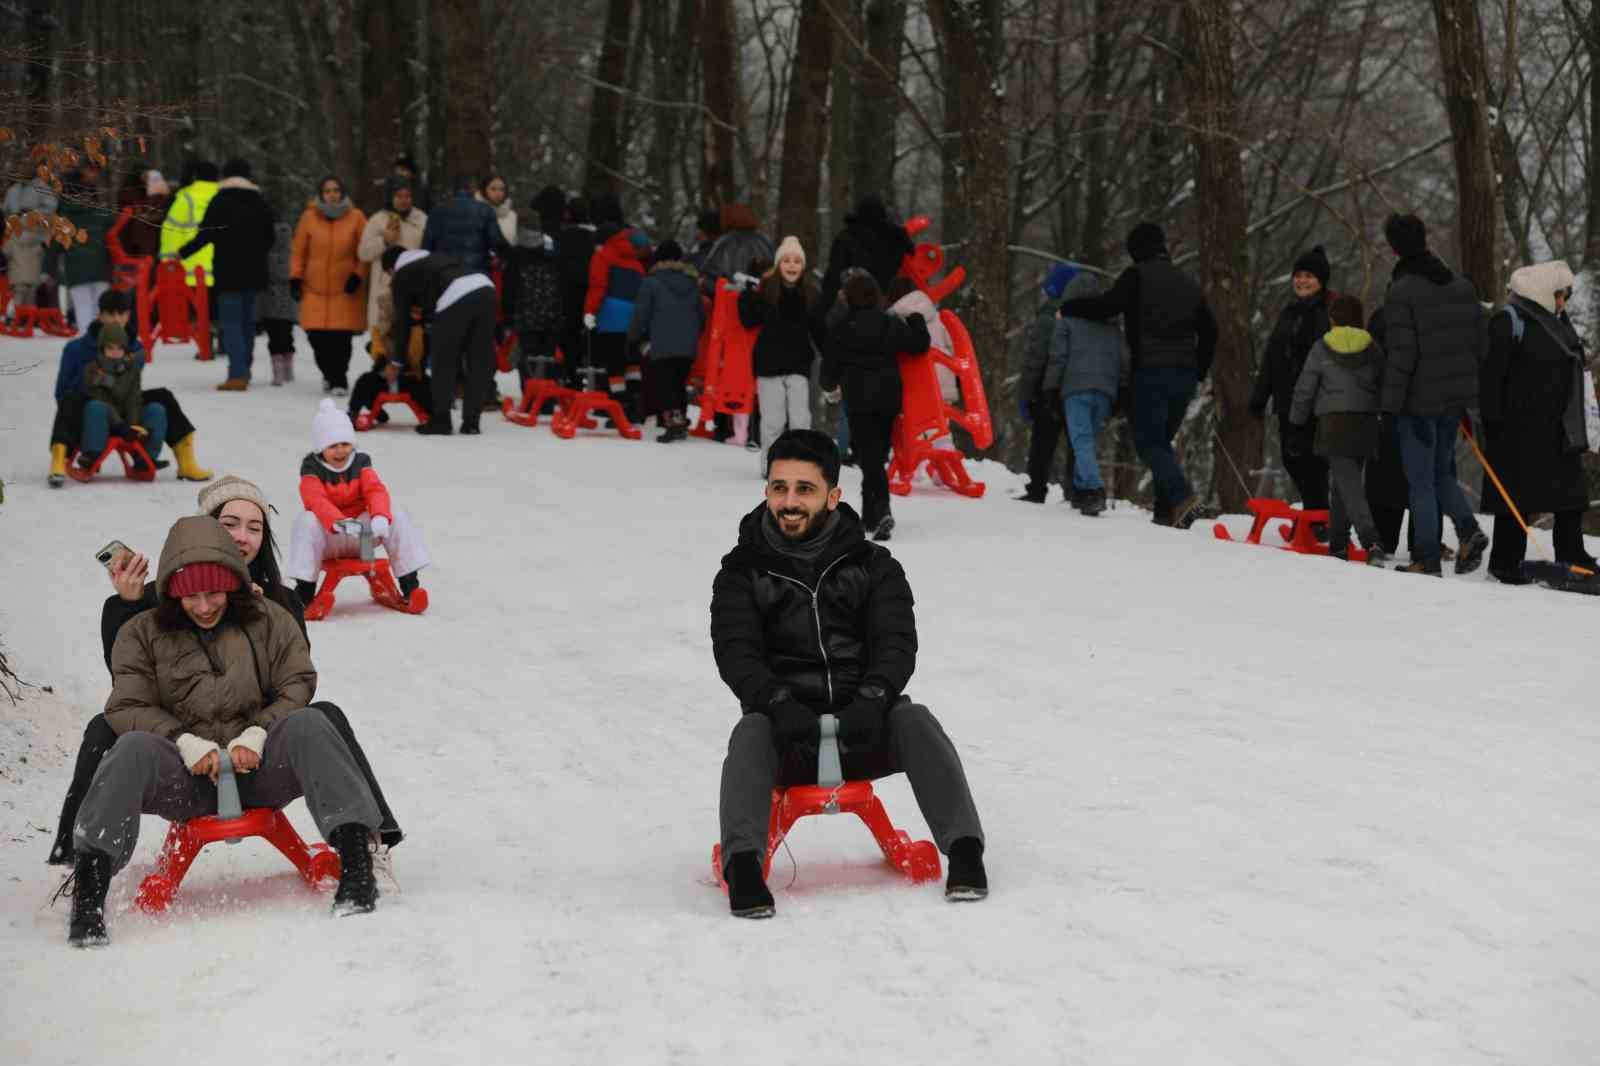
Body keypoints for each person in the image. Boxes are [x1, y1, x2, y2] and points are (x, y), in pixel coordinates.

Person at [47, 474, 404, 867]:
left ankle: (371, 837)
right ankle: (73, 858)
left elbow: (295, 680)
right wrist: (128, 604)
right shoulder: (164, 596)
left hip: (255, 742)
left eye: (255, 528)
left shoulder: (277, 601)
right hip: (182, 745)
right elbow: (127, 686)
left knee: (325, 715)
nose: (242, 537)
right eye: (229, 523)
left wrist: (255, 614)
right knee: (105, 726)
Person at [65, 515, 384, 945]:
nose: (203, 606)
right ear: (172, 594)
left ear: (232, 584)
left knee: (312, 723)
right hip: (186, 779)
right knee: (132, 748)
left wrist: (257, 733)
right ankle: (88, 895)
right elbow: (127, 704)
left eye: (214, 592)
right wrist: (184, 742)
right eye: (190, 596)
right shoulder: (142, 633)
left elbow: (297, 681)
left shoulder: (266, 619)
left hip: (260, 770)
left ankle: (357, 867)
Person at [711, 429, 988, 918]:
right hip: (786, 731)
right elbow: (737, 656)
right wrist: (778, 705)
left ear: (833, 496)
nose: (789, 501)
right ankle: (743, 868)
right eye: (780, 487)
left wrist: (873, 697)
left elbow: (896, 644)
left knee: (916, 720)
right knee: (749, 734)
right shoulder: (741, 572)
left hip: (864, 725)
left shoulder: (874, 566)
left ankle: (965, 852)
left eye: (805, 489)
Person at [1058, 222, 1217, 528]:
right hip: (1184, 376)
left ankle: (1183, 497)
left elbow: (1108, 306)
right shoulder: (1187, 282)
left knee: (1148, 442)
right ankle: (1166, 512)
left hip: (1151, 371)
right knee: (1163, 443)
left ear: (1137, 250)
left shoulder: (1137, 276)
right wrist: (1199, 370)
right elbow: (1210, 330)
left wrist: (1071, 307)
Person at [1377, 213, 1489, 576]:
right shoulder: (1461, 286)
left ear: (1395, 248)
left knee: (1421, 480)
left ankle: (1425, 556)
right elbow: (1479, 345)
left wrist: (1389, 405)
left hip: (1418, 402)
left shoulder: (1402, 291)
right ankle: (1468, 529)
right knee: (1441, 472)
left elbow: (1402, 354)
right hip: (1453, 400)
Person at [1480, 260, 1597, 582]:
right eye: (1559, 295)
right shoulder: (1510, 320)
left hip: (1558, 427)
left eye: (1566, 296)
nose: (1563, 302)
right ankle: (1505, 561)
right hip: (1517, 429)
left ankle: (1572, 553)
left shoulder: (1557, 322)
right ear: (1543, 292)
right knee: (1516, 496)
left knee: (1570, 494)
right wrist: (1493, 423)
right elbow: (1492, 377)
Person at [48, 289, 212, 485]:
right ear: (100, 315)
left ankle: (186, 461)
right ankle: (59, 458)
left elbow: (130, 389)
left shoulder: (135, 348)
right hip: (88, 409)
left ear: (128, 315)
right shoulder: (76, 349)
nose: (116, 319)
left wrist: (131, 418)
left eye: (121, 314)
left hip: (122, 406)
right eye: (110, 314)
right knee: (70, 399)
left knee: (162, 397)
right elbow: (61, 391)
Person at [820, 270, 931, 542]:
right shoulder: (889, 324)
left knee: (869, 458)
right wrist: (916, 319)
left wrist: (831, 386)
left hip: (858, 400)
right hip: (887, 399)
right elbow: (919, 344)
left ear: (847, 298)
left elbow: (828, 371)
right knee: (875, 457)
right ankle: (871, 516)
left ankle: (880, 512)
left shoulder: (841, 329)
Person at [288, 400, 431, 603]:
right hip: (331, 541)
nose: (340, 451)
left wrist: (380, 517)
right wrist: (340, 522)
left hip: (363, 540)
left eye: (345, 444)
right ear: (321, 448)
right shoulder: (311, 468)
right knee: (307, 520)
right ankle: (304, 591)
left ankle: (410, 585)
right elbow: (315, 499)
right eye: (333, 446)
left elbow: (375, 490)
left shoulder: (361, 463)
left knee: (395, 512)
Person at [1288, 293, 1389, 565]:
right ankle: (1338, 544)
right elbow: (1384, 385)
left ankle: (1372, 542)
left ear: (1332, 319)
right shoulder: (1373, 348)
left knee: (1350, 486)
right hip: (1366, 423)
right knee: (1345, 483)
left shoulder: (1321, 347)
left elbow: (1305, 388)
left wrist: (1296, 422)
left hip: (1334, 424)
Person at [177, 158, 276, 390]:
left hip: (227, 272)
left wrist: (183, 252)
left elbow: (205, 234)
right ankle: (245, 371)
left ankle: (237, 374)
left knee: (231, 324)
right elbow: (270, 238)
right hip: (254, 273)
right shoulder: (260, 202)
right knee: (247, 325)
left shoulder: (220, 201)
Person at [1251, 247, 1333, 513]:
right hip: (1287, 400)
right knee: (1291, 459)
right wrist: (1260, 394)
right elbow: (1272, 356)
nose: (1302, 281)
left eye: (1309, 276)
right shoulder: (1289, 312)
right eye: (1298, 275)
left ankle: (1319, 518)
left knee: (1312, 461)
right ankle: (1316, 515)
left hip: (1314, 401)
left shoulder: (1325, 313)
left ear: (1320, 280)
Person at [384, 246, 498, 435]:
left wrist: (396, 361)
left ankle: (441, 421)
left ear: (391, 268)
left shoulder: (401, 275)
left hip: (454, 295)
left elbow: (402, 323)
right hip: (485, 286)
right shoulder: (436, 257)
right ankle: (471, 422)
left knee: (444, 361)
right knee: (479, 358)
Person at [738, 236, 823, 467]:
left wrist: (831, 359)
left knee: (800, 418)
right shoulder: (766, 290)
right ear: (778, 265)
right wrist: (748, 294)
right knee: (773, 420)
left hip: (798, 364)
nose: (792, 265)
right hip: (769, 363)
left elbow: (818, 330)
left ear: (803, 265)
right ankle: (771, 464)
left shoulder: (810, 293)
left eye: (796, 261)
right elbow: (748, 320)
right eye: (786, 260)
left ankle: (800, 462)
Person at [1049, 270, 1129, 516]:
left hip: (1075, 388)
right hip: (1105, 390)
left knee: (1081, 440)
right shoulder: (1113, 329)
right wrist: (1121, 389)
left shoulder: (1066, 323)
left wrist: (1050, 388)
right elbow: (1123, 360)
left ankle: (1094, 490)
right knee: (1087, 440)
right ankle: (1082, 491)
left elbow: (1057, 358)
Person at [291, 176, 369, 396]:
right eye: (327, 191)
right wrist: (295, 277)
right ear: (321, 194)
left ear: (343, 194)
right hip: (313, 289)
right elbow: (298, 251)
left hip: (345, 289)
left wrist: (358, 275)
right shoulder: (309, 217)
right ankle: (329, 373)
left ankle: (339, 379)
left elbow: (364, 252)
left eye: (336, 190)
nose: (332, 195)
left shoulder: (356, 217)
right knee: (317, 338)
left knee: (340, 340)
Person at [627, 239, 704, 442]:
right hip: (688, 344)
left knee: (665, 385)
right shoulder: (692, 281)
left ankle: (674, 423)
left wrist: (633, 337)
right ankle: (679, 419)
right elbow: (700, 314)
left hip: (662, 342)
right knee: (678, 382)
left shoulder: (651, 281)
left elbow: (641, 314)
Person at [1016, 264, 1079, 503]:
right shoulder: (1086, 314)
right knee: (1077, 439)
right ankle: (1075, 490)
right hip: (1077, 385)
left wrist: (1025, 394)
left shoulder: (1048, 317)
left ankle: (1037, 487)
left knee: (1043, 438)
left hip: (1048, 385)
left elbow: (1036, 358)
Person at [73, 323, 166, 474]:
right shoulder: (92, 369)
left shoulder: (132, 369)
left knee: (156, 410)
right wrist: (120, 426)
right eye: (110, 348)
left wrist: (133, 425)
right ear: (102, 348)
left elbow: (134, 398)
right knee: (95, 407)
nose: (115, 352)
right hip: (105, 422)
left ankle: (146, 458)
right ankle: (91, 455)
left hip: (127, 422)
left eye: (119, 348)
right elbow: (100, 398)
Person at [583, 221, 651, 415]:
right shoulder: (637, 264)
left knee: (614, 364)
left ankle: (619, 408)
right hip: (633, 318)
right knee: (632, 363)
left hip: (610, 316)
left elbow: (598, 286)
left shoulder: (602, 256)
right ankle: (636, 406)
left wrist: (590, 311)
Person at [357, 176, 428, 360]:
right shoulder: (378, 220)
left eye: (407, 195)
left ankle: (411, 381)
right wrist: (384, 240)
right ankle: (383, 380)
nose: (404, 200)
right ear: (390, 197)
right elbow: (363, 253)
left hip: (414, 289)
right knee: (383, 340)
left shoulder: (421, 220)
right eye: (399, 195)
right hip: (384, 289)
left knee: (413, 339)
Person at [818, 194, 913, 315]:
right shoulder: (895, 239)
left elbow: (833, 275)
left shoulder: (846, 237)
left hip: (850, 307)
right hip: (886, 307)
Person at [502, 211, 565, 391]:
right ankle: (549, 396)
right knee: (548, 356)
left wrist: (507, 315)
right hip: (551, 313)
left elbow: (510, 287)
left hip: (526, 315)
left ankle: (531, 396)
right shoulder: (551, 250)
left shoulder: (516, 254)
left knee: (528, 356)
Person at [53, 170, 115, 331]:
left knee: (83, 309)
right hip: (100, 267)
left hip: (75, 271)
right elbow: (115, 230)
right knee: (101, 309)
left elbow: (55, 247)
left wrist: (48, 269)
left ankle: (86, 345)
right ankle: (104, 343)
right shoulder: (101, 214)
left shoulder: (62, 219)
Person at [421, 174, 508, 274]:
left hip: (443, 272)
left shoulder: (437, 210)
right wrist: (499, 260)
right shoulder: (485, 210)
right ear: (473, 189)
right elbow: (498, 243)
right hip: (476, 271)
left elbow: (427, 245)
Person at [157, 158, 220, 291]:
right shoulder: (225, 198)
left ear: (195, 176)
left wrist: (168, 266)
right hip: (221, 276)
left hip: (187, 276)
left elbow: (170, 235)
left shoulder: (185, 199)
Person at [2, 174, 57, 314]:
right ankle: (29, 317)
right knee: (31, 297)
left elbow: (5, 251)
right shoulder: (36, 238)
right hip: (33, 274)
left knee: (18, 296)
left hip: (17, 275)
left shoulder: (14, 235)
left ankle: (16, 318)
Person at [698, 204, 775, 292]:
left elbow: (716, 280)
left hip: (733, 301)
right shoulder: (764, 240)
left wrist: (704, 283)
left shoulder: (725, 243)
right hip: (762, 299)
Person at [261, 215, 299, 385]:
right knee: (285, 335)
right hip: (286, 302)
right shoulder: (294, 253)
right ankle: (286, 369)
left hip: (271, 299)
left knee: (275, 336)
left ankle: (280, 370)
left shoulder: (265, 253)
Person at [478, 173, 517, 246]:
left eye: (501, 189)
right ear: (484, 190)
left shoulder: (512, 215)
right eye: (493, 189)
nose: (498, 193)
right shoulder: (474, 212)